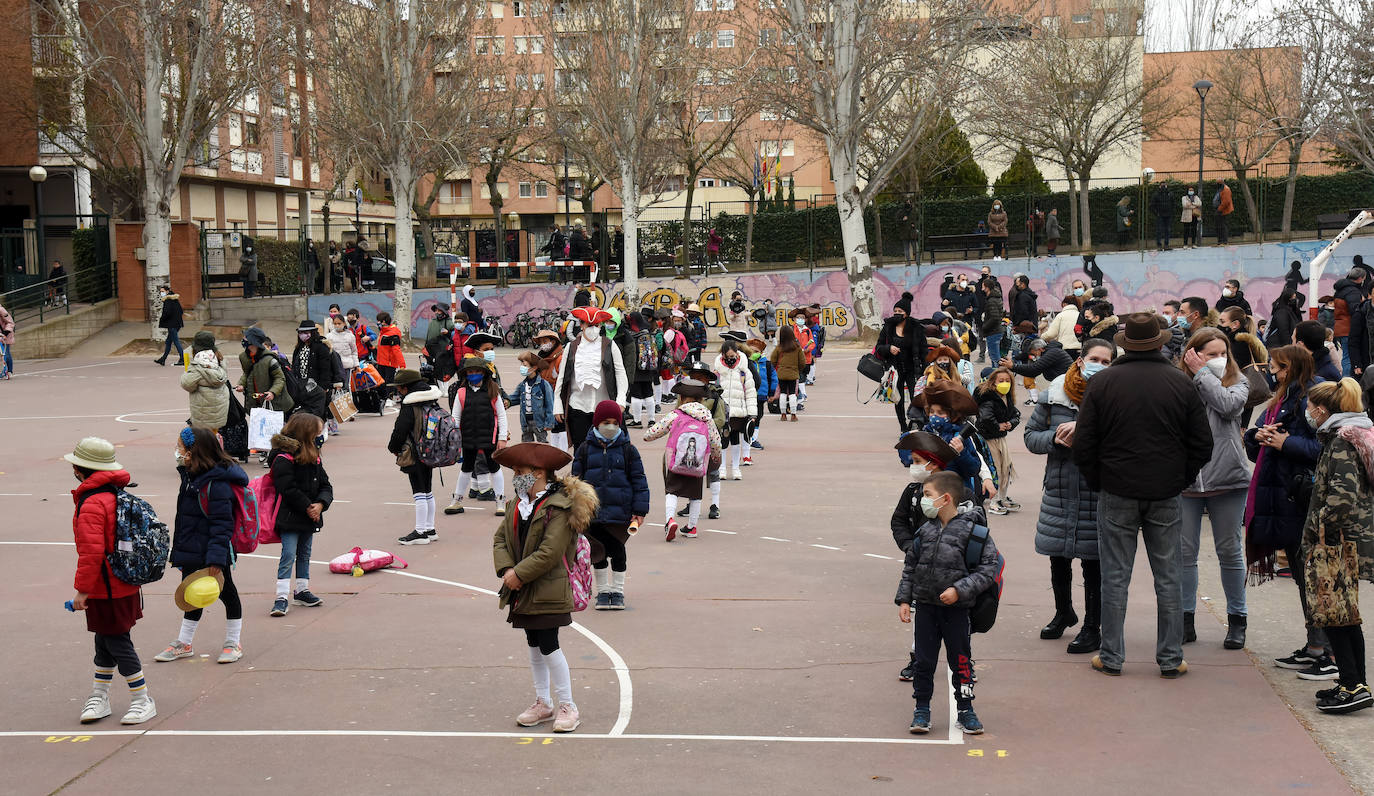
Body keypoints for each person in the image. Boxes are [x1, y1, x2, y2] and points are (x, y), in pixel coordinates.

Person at [1072, 313, 1213, 678]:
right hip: (1165, 490)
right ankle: (1170, 657)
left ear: (1125, 343)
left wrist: (1099, 479)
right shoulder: (1180, 382)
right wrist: (1179, 477)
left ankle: (1112, 655)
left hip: (1117, 489)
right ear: (1159, 342)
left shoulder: (1104, 383)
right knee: (1168, 576)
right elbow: (1202, 443)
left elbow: (1084, 443)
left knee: (1115, 576)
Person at [492, 442, 597, 733]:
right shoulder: (517, 505)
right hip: (523, 588)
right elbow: (500, 540)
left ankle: (568, 705)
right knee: (533, 643)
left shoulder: (559, 507)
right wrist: (506, 570)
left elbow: (551, 552)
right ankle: (543, 702)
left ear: (538, 472)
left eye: (519, 471)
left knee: (550, 644)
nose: (515, 476)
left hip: (549, 588)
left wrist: (519, 575)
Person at [1244, 345, 1333, 678]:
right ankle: (1314, 646)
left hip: (1303, 499)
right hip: (1284, 496)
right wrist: (1259, 435)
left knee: (1313, 578)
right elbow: (1262, 445)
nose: (1272, 372)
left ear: (1292, 368)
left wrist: (1285, 443)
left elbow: (1326, 447)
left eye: (1277, 367)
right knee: (1301, 575)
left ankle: (1328, 651)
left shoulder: (1313, 397)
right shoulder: (1281, 398)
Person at [1025, 338, 1115, 653]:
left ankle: (1093, 627)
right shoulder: (1054, 394)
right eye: (1095, 359)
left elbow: (1125, 441)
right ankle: (1064, 612)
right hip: (1061, 488)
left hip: (1097, 489)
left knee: (1094, 561)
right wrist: (1056, 439)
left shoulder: (1116, 397)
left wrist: (1087, 434)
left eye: (1107, 362)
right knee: (1058, 554)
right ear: (1080, 359)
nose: (1100, 366)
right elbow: (1030, 437)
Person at [895, 470, 1000, 736]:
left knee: (961, 661)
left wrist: (959, 590)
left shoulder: (975, 533)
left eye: (927, 495)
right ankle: (922, 708)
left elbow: (988, 570)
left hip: (957, 611)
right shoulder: (923, 531)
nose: (922, 501)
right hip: (927, 608)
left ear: (945, 499)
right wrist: (905, 599)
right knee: (923, 661)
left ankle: (966, 709)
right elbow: (910, 567)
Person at [65, 437, 156, 725]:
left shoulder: (92, 503)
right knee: (104, 640)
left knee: (117, 641)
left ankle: (142, 698)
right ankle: (99, 695)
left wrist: (82, 591)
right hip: (126, 580)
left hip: (106, 587)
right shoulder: (117, 494)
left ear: (81, 469)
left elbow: (90, 553)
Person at [1300, 378, 1374, 713]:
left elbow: (1342, 498)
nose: (1309, 411)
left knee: (1337, 615)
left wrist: (1317, 530)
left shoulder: (1342, 441)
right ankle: (1351, 681)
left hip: (1337, 542)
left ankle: (1353, 684)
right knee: (1344, 614)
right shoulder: (1348, 434)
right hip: (1345, 540)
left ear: (1323, 408)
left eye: (1311, 405)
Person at [1177, 327, 1251, 650]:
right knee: (1184, 553)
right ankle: (1184, 619)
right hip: (1188, 480)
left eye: (1223, 353)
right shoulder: (1179, 384)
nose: (1219, 360)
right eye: (1211, 354)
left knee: (1230, 551)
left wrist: (1202, 373)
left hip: (1228, 479)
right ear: (1193, 354)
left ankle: (1237, 620)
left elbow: (1228, 406)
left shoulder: (1239, 382)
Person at [155, 427, 250, 665]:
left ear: (193, 451)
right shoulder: (190, 477)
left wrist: (216, 559)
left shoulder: (216, 483)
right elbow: (185, 520)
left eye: (181, 447)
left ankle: (233, 641)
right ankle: (184, 642)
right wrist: (180, 554)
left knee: (227, 594)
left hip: (213, 552)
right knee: (192, 594)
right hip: (191, 549)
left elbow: (222, 524)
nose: (178, 452)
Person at [572, 401, 650, 610]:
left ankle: (618, 591)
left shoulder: (628, 450)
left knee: (617, 550)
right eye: (606, 422)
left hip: (620, 512)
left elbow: (639, 481)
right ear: (597, 423)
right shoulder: (585, 449)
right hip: (593, 513)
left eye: (615, 423)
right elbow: (575, 481)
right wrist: (575, 509)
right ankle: (603, 591)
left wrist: (639, 510)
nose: (611, 427)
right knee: (596, 552)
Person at [266, 413, 332, 616]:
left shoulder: (314, 455)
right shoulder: (283, 458)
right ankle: (281, 596)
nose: (320, 436)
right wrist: (309, 507)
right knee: (288, 554)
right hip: (290, 515)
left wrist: (321, 503)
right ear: (305, 432)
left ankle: (302, 590)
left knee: (304, 553)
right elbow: (287, 488)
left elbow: (325, 484)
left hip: (309, 514)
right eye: (316, 432)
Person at [643, 379, 722, 541]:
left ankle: (670, 520)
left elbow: (656, 430)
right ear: (701, 399)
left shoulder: (677, 414)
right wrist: (716, 455)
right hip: (698, 464)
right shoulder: (707, 418)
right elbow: (716, 442)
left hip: (677, 462)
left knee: (672, 491)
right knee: (695, 495)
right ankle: (692, 527)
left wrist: (647, 436)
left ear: (682, 398)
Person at [553, 306, 628, 450]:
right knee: (581, 450)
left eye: (596, 325)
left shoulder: (610, 345)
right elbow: (561, 378)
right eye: (589, 325)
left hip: (605, 408)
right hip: (577, 407)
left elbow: (620, 373)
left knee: (607, 451)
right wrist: (558, 404)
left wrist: (621, 400)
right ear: (581, 325)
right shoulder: (571, 347)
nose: (593, 329)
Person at [444, 356, 511, 516]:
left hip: (489, 437)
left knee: (494, 467)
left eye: (477, 371)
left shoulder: (493, 390)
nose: (473, 374)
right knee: (466, 468)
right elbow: (455, 418)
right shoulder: (461, 392)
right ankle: (457, 500)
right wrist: (455, 439)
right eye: (470, 372)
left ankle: (500, 501)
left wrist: (502, 438)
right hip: (468, 437)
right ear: (465, 374)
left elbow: (501, 415)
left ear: (483, 373)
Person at [387, 369, 445, 546]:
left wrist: (393, 448)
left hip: (414, 452)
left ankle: (420, 531)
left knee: (418, 491)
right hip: (431, 450)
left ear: (406, 388)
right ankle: (430, 528)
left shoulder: (410, 405)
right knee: (427, 489)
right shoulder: (431, 399)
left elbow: (400, 431)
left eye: (399, 388)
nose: (398, 391)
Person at [236, 327, 294, 467]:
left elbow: (280, 379)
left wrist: (273, 392)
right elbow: (247, 373)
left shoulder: (270, 359)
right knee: (261, 427)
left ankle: (275, 454)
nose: (243, 341)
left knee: (274, 428)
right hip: (254, 399)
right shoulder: (244, 357)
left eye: (245, 338)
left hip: (273, 400)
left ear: (253, 342)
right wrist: (241, 384)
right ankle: (265, 451)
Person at [877, 293, 925, 431]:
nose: (897, 314)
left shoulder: (916, 328)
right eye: (895, 311)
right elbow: (878, 347)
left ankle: (915, 423)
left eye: (900, 311)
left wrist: (925, 368)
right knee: (897, 399)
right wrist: (889, 348)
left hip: (913, 369)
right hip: (895, 370)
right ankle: (903, 426)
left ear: (907, 314)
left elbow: (923, 350)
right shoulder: (888, 327)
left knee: (915, 398)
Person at [975, 368, 1020, 515]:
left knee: (1006, 468)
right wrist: (998, 425)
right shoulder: (988, 398)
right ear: (993, 382)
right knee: (996, 470)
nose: (1005, 383)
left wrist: (1010, 424)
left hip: (1000, 438)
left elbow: (1015, 414)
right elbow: (985, 417)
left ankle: (1002, 497)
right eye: (1001, 381)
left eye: (1007, 381)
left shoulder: (1007, 397)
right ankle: (994, 502)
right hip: (989, 439)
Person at [712, 341, 758, 480]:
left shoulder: (744, 371)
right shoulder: (718, 372)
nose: (731, 358)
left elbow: (750, 393)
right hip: (723, 412)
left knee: (736, 440)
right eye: (728, 356)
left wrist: (752, 413)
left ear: (737, 354)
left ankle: (736, 468)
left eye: (734, 355)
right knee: (723, 441)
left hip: (739, 412)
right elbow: (712, 393)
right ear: (723, 355)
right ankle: (722, 468)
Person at [292, 321, 340, 420]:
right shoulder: (298, 348)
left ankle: (322, 429)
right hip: (301, 384)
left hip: (317, 385)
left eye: (306, 332)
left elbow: (325, 368)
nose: (303, 335)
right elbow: (295, 366)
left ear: (312, 332)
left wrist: (324, 386)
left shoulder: (321, 346)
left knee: (319, 410)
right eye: (300, 332)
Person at [181, 336, 229, 431]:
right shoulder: (218, 361)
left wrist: (189, 370)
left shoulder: (197, 368)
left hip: (203, 417)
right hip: (219, 414)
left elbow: (186, 384)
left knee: (204, 440)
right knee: (214, 436)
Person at [510, 351, 556, 443]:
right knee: (526, 447)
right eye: (521, 363)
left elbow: (550, 404)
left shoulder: (543, 384)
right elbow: (514, 398)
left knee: (542, 446)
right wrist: (505, 400)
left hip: (539, 423)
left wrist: (549, 422)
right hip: (525, 423)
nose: (522, 367)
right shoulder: (522, 385)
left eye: (524, 364)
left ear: (534, 367)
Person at [745, 338, 777, 455]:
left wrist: (771, 393)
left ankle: (753, 438)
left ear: (761, 352)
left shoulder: (767, 364)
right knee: (748, 416)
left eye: (756, 351)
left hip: (761, 395)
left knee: (759, 416)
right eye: (751, 350)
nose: (754, 353)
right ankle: (747, 436)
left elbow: (773, 378)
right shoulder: (746, 363)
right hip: (748, 394)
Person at [770, 325, 807, 423]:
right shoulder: (797, 347)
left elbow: (772, 360)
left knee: (782, 393)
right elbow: (802, 362)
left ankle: (783, 415)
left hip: (781, 374)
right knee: (792, 394)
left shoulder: (779, 348)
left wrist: (777, 369)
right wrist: (797, 369)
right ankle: (793, 415)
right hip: (793, 374)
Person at [1334, 268, 1366, 376]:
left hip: (1341, 327)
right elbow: (1355, 310)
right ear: (1361, 278)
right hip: (1349, 328)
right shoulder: (1352, 291)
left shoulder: (1342, 289)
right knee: (1349, 357)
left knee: (1347, 356)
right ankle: (1347, 383)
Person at [325, 313, 360, 395]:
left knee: (346, 387)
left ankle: (346, 406)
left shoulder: (350, 336)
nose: (337, 325)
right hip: (333, 367)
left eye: (339, 323)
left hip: (346, 366)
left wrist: (356, 365)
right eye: (335, 324)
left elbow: (354, 351)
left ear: (344, 323)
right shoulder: (329, 337)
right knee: (334, 388)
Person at [374, 312, 407, 397]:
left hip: (389, 363)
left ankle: (390, 397)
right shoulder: (383, 332)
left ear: (383, 322)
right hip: (381, 362)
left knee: (389, 382)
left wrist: (402, 365)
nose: (377, 323)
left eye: (378, 321)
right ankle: (384, 397)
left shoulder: (392, 334)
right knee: (382, 381)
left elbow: (396, 350)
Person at [153, 286, 185, 366]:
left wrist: (162, 319)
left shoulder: (168, 300)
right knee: (168, 341)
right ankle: (163, 359)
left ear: (167, 291)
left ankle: (182, 359)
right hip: (177, 324)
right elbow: (181, 311)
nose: (161, 293)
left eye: (162, 291)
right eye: (160, 291)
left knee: (176, 341)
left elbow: (167, 313)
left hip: (172, 324)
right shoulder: (175, 299)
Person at [978, 276, 1005, 365]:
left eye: (983, 286)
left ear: (987, 287)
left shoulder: (991, 300)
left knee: (994, 356)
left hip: (993, 331)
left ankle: (998, 374)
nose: (982, 288)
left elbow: (995, 317)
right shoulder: (996, 297)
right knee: (995, 355)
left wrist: (985, 327)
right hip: (996, 330)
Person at [1150, 183, 1173, 250]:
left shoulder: (1170, 194)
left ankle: (1166, 245)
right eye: (1162, 185)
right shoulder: (1156, 194)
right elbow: (1152, 205)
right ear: (1159, 186)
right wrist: (1156, 213)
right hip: (1160, 215)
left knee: (1167, 230)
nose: (1163, 187)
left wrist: (1171, 212)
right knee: (1159, 230)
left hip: (1168, 215)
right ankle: (1159, 245)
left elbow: (1173, 203)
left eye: (1165, 185)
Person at [0, 300, 14, 378]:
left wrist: (5, 333)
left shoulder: (1, 310)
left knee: (6, 353)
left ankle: (9, 371)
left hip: (5, 334)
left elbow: (10, 322)